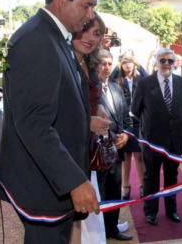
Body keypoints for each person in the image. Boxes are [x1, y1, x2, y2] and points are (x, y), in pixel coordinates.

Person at [0, 0, 102, 243]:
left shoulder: (54, 36)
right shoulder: (36, 40)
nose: (90, 16)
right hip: (43, 186)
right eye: (87, 6)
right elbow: (34, 124)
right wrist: (74, 181)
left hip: (52, 183)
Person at [131, 48, 182, 226]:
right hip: (152, 141)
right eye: (162, 60)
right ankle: (151, 212)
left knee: (172, 177)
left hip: (175, 140)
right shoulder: (144, 84)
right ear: (156, 62)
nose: (166, 64)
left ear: (174, 63)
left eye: (170, 61)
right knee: (152, 177)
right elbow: (135, 110)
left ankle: (172, 210)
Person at [69, 13, 110, 244]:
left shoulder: (89, 64)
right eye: (85, 30)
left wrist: (100, 111)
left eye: (96, 33)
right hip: (68, 152)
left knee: (85, 214)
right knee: (73, 217)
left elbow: (94, 99)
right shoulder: (63, 62)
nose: (90, 38)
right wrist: (88, 123)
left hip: (87, 152)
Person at [96, 49, 134, 241]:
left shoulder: (116, 88)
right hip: (97, 153)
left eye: (109, 63)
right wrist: (112, 136)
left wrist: (126, 135)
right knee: (100, 194)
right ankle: (100, 232)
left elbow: (126, 117)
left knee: (114, 191)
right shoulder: (89, 89)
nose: (106, 67)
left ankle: (112, 229)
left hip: (117, 151)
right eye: (102, 63)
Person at [112, 49, 148, 201]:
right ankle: (125, 186)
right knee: (126, 155)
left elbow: (149, 78)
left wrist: (137, 63)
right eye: (125, 62)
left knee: (139, 155)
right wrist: (119, 61)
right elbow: (111, 76)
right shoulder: (118, 79)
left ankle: (142, 186)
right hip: (124, 120)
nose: (128, 65)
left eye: (130, 62)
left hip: (138, 121)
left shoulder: (140, 78)